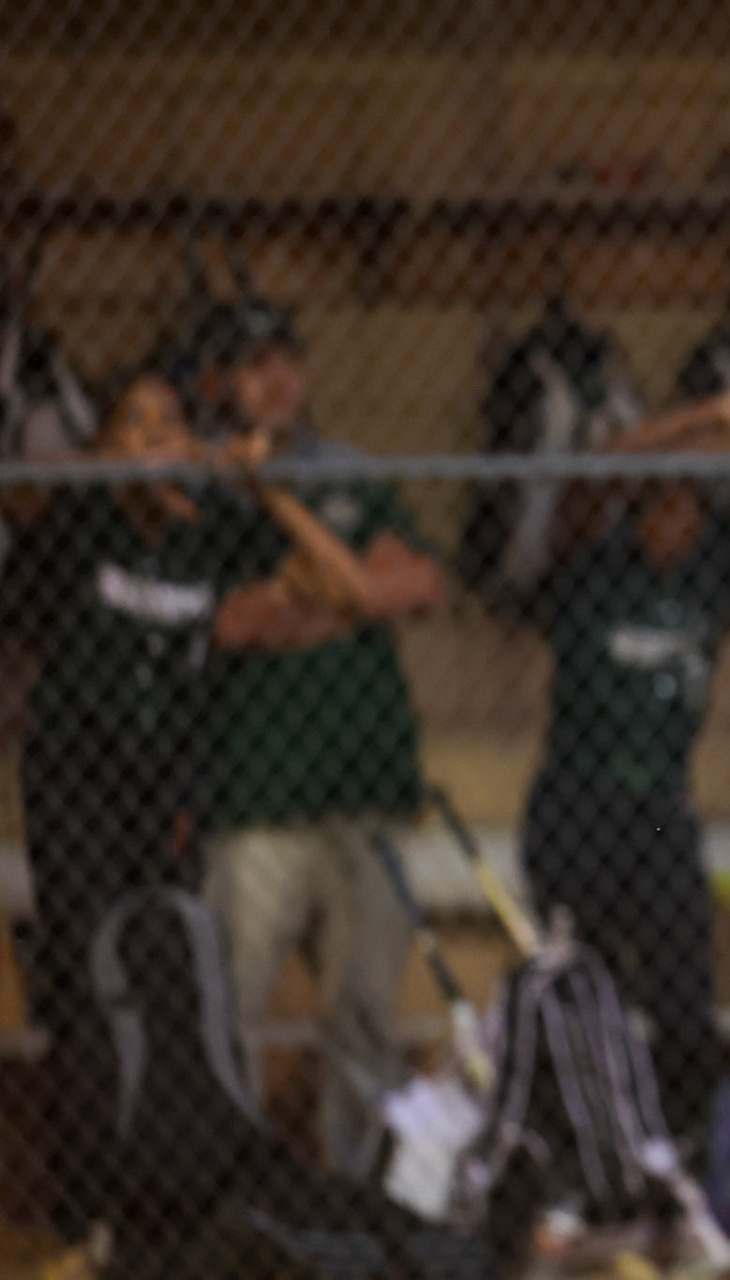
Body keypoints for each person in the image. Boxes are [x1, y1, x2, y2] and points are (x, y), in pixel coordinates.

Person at [2, 371, 359, 1241]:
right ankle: (87, 1221)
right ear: (105, 444)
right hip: (78, 781)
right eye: (137, 423)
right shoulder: (84, 517)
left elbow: (343, 588)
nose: (158, 436)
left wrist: (259, 488)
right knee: (87, 984)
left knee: (166, 976)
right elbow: (23, 491)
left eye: (171, 422)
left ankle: (161, 1210)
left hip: (165, 785)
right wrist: (121, 467)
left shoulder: (208, 532)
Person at [194, 298, 447, 1178]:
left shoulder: (349, 473)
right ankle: (224, 1187)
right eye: (253, 365)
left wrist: (315, 598)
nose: (276, 381)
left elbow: (415, 586)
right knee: (234, 999)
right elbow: (229, 622)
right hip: (259, 790)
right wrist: (345, 597)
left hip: (366, 780)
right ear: (220, 383)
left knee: (365, 1002)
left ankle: (353, 1184)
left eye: (286, 360)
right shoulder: (207, 487)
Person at [523, 384, 730, 1142]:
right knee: (586, 992)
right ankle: (585, 1154)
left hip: (662, 808)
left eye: (686, 510)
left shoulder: (708, 570)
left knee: (684, 1000)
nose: (675, 526)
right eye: (659, 509)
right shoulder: (592, 568)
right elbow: (588, 475)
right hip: (578, 804)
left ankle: (681, 1158)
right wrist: (705, 416)